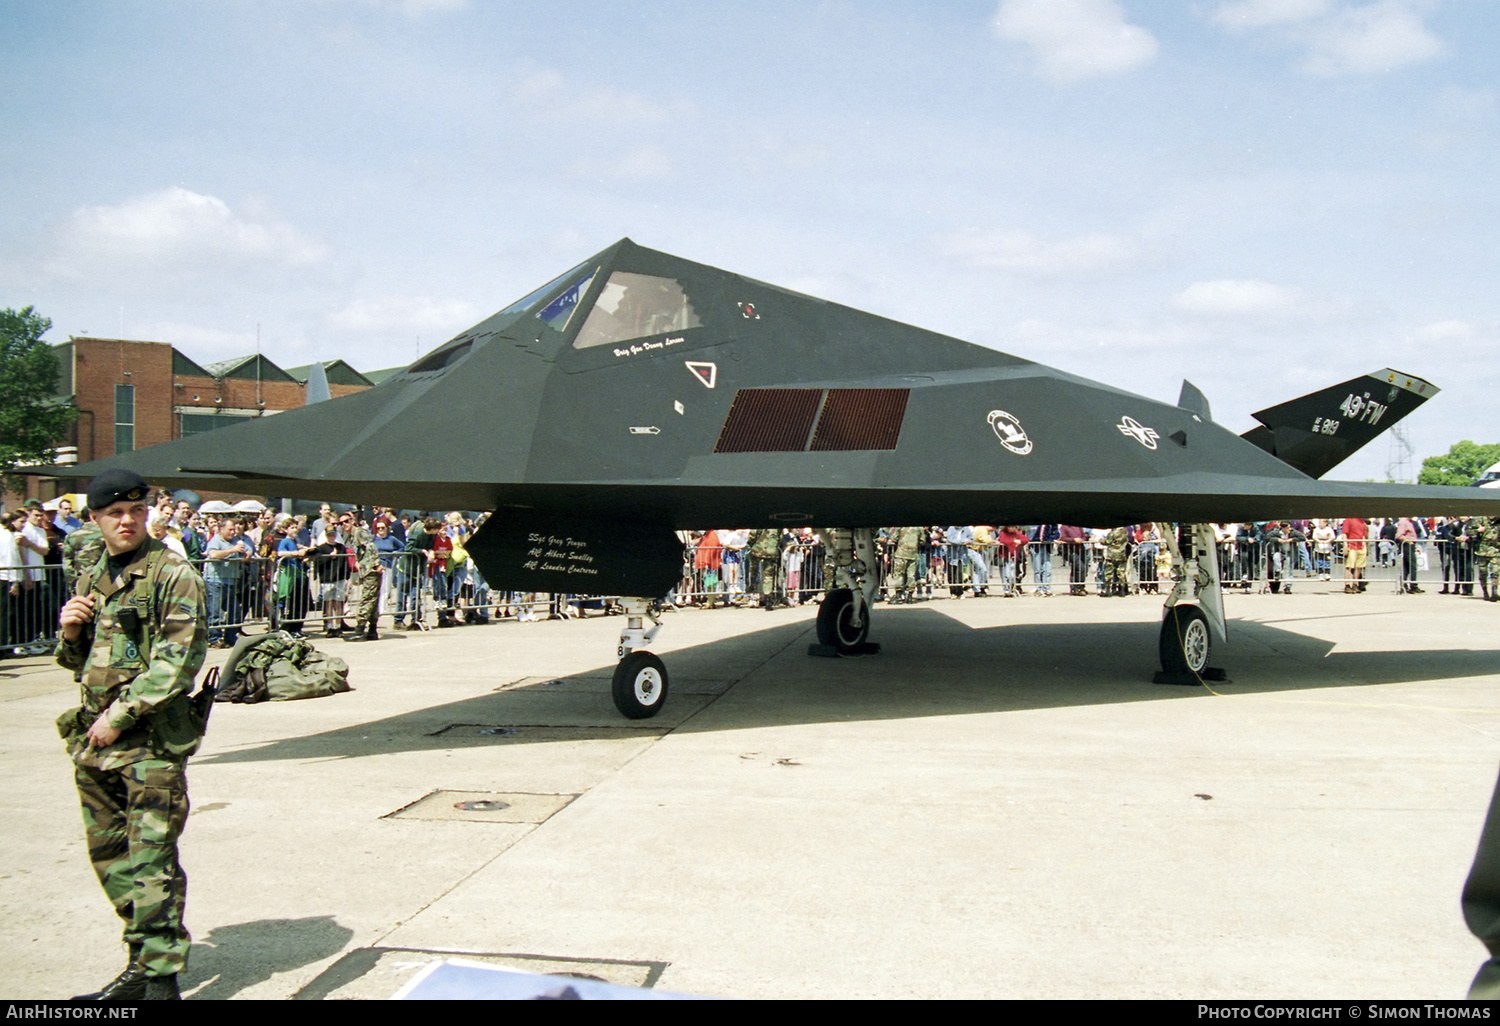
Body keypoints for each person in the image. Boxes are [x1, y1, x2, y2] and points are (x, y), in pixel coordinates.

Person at [56, 470, 208, 1001]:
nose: (126, 521)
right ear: (94, 520)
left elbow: (177, 664)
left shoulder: (172, 574)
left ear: (148, 514)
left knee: (151, 859)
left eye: (136, 511)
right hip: (95, 743)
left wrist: (118, 716)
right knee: (111, 854)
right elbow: (81, 664)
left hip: (149, 744)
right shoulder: (91, 576)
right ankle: (140, 962)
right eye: (114, 513)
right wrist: (70, 632)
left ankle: (161, 981)